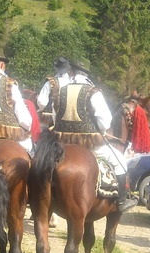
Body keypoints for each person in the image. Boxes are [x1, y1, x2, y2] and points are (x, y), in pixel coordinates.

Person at [39, 57, 137, 213]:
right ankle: (122, 201)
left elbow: (55, 116)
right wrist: (101, 132)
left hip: (62, 144)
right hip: (90, 145)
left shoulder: (60, 91)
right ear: (86, 74)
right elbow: (105, 119)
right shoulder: (93, 92)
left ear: (71, 72)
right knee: (120, 162)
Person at [37, 56, 72, 128]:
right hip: (66, 119)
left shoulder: (50, 82)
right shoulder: (71, 83)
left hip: (48, 119)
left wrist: (40, 109)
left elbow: (41, 102)